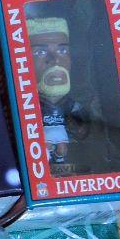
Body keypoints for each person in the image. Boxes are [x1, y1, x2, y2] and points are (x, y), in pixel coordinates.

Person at [29, 15, 83, 167]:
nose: (56, 60)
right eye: (40, 52)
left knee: (62, 149)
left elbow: (80, 118)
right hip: (44, 135)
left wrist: (81, 127)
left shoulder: (68, 103)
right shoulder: (32, 104)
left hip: (60, 132)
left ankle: (59, 162)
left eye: (62, 50)